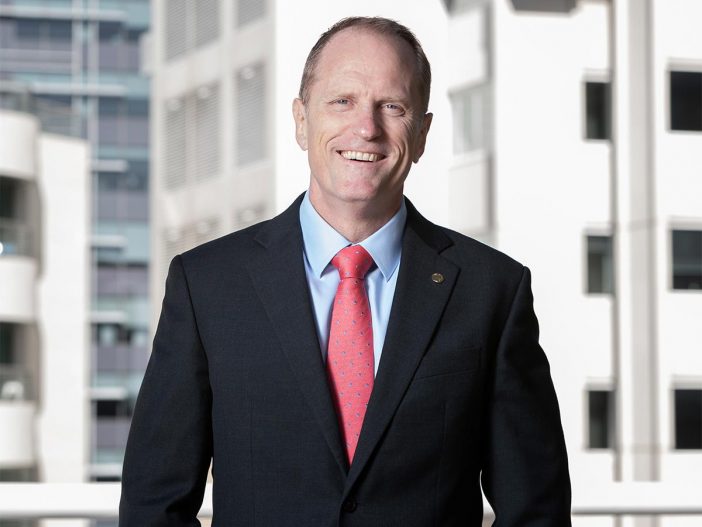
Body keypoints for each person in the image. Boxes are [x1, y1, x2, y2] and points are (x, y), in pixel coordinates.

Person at [119, 16, 571, 526]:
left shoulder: (492, 292)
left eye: (392, 106)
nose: (367, 128)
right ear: (301, 120)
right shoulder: (207, 286)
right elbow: (153, 505)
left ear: (421, 133)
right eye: (342, 101)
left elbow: (537, 509)